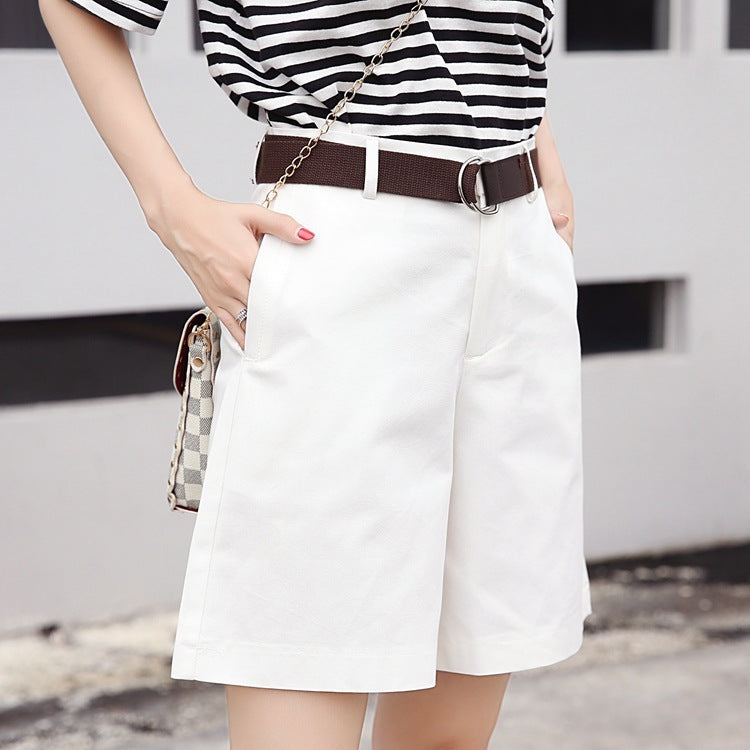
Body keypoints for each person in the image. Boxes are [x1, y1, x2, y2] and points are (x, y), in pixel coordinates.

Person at [40, 0, 592, 747]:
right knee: (301, 687)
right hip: (348, 237)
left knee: (453, 729)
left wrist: (539, 150)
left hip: (517, 244)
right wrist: (172, 208)